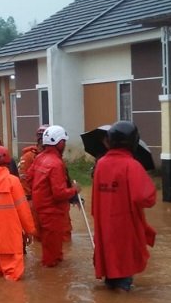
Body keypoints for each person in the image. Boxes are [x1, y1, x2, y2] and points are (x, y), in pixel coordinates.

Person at [91, 121, 157, 291]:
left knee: (111, 276)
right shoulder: (132, 165)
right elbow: (146, 198)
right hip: (125, 229)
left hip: (104, 227)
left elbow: (95, 201)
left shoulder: (101, 164)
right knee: (124, 274)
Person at [0, 146, 37, 280]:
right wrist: (30, 231)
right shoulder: (13, 181)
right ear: (8, 161)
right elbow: (23, 209)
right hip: (11, 241)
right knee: (14, 282)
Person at [30, 125, 78, 267]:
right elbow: (59, 194)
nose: (65, 145)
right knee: (52, 259)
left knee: (50, 251)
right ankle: (53, 285)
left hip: (39, 211)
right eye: (64, 142)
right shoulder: (56, 163)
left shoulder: (39, 158)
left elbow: (29, 178)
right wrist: (74, 190)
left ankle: (52, 282)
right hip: (52, 214)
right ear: (60, 143)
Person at [18, 124, 48, 199]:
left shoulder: (52, 156)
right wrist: (29, 198)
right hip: (32, 199)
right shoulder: (28, 157)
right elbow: (23, 179)